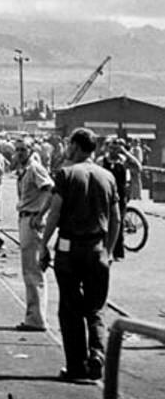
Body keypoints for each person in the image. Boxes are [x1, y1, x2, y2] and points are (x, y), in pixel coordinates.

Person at [39, 127, 121, 382]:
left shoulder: (65, 174)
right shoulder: (107, 176)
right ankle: (97, 354)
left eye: (69, 144)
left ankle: (76, 366)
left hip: (69, 249)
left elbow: (55, 213)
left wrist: (44, 244)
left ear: (75, 146)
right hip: (97, 249)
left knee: (70, 308)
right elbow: (116, 218)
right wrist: (108, 250)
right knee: (96, 308)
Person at [13, 137, 54, 331]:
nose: (20, 153)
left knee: (33, 271)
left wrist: (41, 214)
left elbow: (50, 189)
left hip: (32, 219)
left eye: (23, 149)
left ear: (31, 150)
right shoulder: (24, 170)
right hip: (25, 217)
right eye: (18, 150)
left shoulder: (35, 169)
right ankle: (34, 316)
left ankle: (36, 319)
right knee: (29, 270)